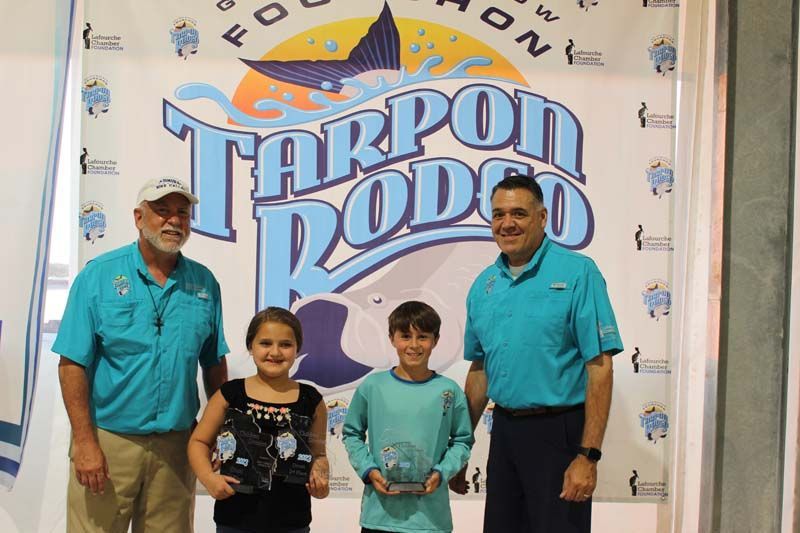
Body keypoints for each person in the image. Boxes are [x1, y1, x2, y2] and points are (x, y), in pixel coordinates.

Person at [53, 176, 229, 532]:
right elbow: (71, 363)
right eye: (162, 211)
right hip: (109, 442)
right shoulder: (98, 277)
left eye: (182, 213)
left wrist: (218, 433)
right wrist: (85, 442)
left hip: (177, 446)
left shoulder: (204, 283)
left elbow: (214, 364)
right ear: (138, 217)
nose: (174, 221)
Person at [449, 175, 623, 533]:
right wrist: (461, 449)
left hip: (560, 434)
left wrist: (587, 456)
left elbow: (600, 367)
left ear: (542, 218)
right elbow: (480, 370)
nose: (507, 223)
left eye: (518, 213)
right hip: (505, 433)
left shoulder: (578, 273)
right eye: (498, 214)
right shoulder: (484, 285)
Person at [189, 307, 329, 533]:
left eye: (285, 344)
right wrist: (208, 479)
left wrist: (320, 478)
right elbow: (199, 442)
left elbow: (319, 454)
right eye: (265, 343)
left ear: (297, 349)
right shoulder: (230, 394)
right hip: (234, 517)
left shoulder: (311, 399)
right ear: (250, 346)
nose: (275, 352)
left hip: (292, 519)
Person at [343, 301, 474, 533]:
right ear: (392, 338)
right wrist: (369, 470)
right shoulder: (373, 386)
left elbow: (463, 440)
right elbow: (351, 433)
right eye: (405, 336)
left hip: (430, 520)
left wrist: (442, 472)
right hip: (380, 516)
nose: (414, 345)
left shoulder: (449, 391)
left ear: (436, 340)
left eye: (422, 336)